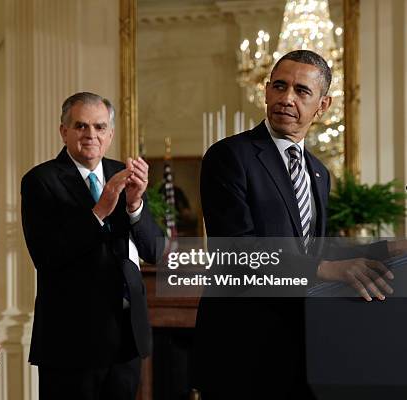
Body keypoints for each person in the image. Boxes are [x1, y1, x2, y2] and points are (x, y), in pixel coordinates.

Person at [192, 50, 398, 398]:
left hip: (302, 346)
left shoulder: (319, 173)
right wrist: (328, 268)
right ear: (267, 91)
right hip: (242, 347)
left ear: (323, 105)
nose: (286, 98)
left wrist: (391, 247)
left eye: (301, 91)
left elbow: (318, 250)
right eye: (279, 86)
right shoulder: (230, 156)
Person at [21, 92, 163, 400]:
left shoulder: (124, 174)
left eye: (99, 127)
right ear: (64, 131)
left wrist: (135, 203)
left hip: (126, 337)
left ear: (110, 133)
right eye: (81, 126)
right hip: (71, 341)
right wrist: (100, 210)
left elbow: (154, 251)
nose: (91, 135)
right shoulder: (40, 180)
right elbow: (46, 256)